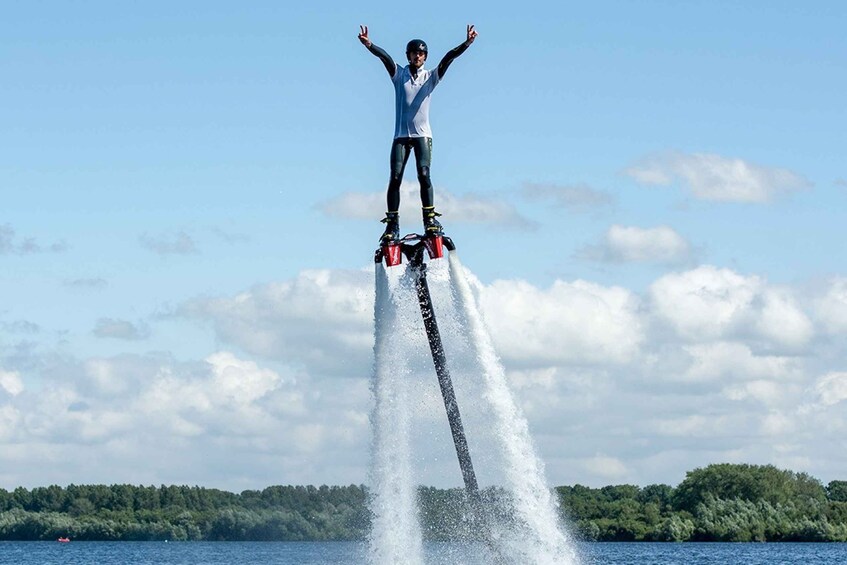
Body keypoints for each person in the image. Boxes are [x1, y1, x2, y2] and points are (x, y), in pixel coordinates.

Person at [358, 24, 478, 243]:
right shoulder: (399, 74)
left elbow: (449, 58)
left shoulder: (430, 77)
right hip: (401, 136)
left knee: (424, 175)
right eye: (414, 53)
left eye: (421, 53)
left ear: (425, 56)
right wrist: (369, 45)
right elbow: (384, 57)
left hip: (422, 135)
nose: (418, 56)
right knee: (395, 178)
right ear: (408, 55)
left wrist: (467, 44)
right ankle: (392, 225)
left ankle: (430, 220)